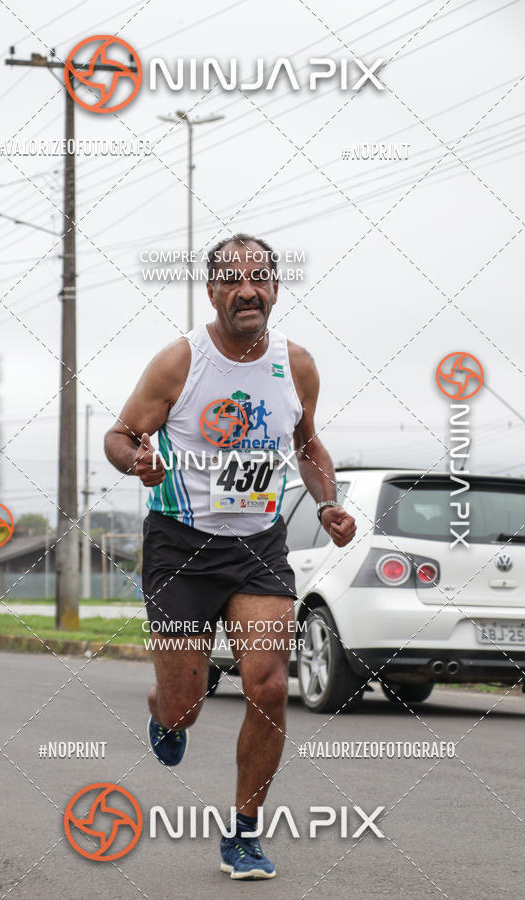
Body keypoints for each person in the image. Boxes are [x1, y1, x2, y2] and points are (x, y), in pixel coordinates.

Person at [104, 233, 356, 880]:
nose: (249, 288)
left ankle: (243, 832)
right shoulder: (179, 362)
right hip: (181, 546)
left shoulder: (296, 365)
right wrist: (138, 458)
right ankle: (167, 710)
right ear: (212, 290)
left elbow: (308, 445)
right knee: (184, 704)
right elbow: (120, 433)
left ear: (275, 286)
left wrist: (326, 502)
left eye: (261, 276)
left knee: (270, 686)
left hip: (258, 545)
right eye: (233, 278)